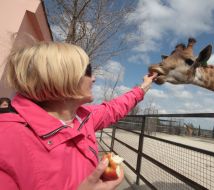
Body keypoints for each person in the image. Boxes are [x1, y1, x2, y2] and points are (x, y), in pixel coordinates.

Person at [0, 42, 157, 190]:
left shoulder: (83, 117)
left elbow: (114, 108)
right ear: (61, 77)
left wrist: (143, 87)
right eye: (88, 71)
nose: (94, 78)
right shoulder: (6, 141)